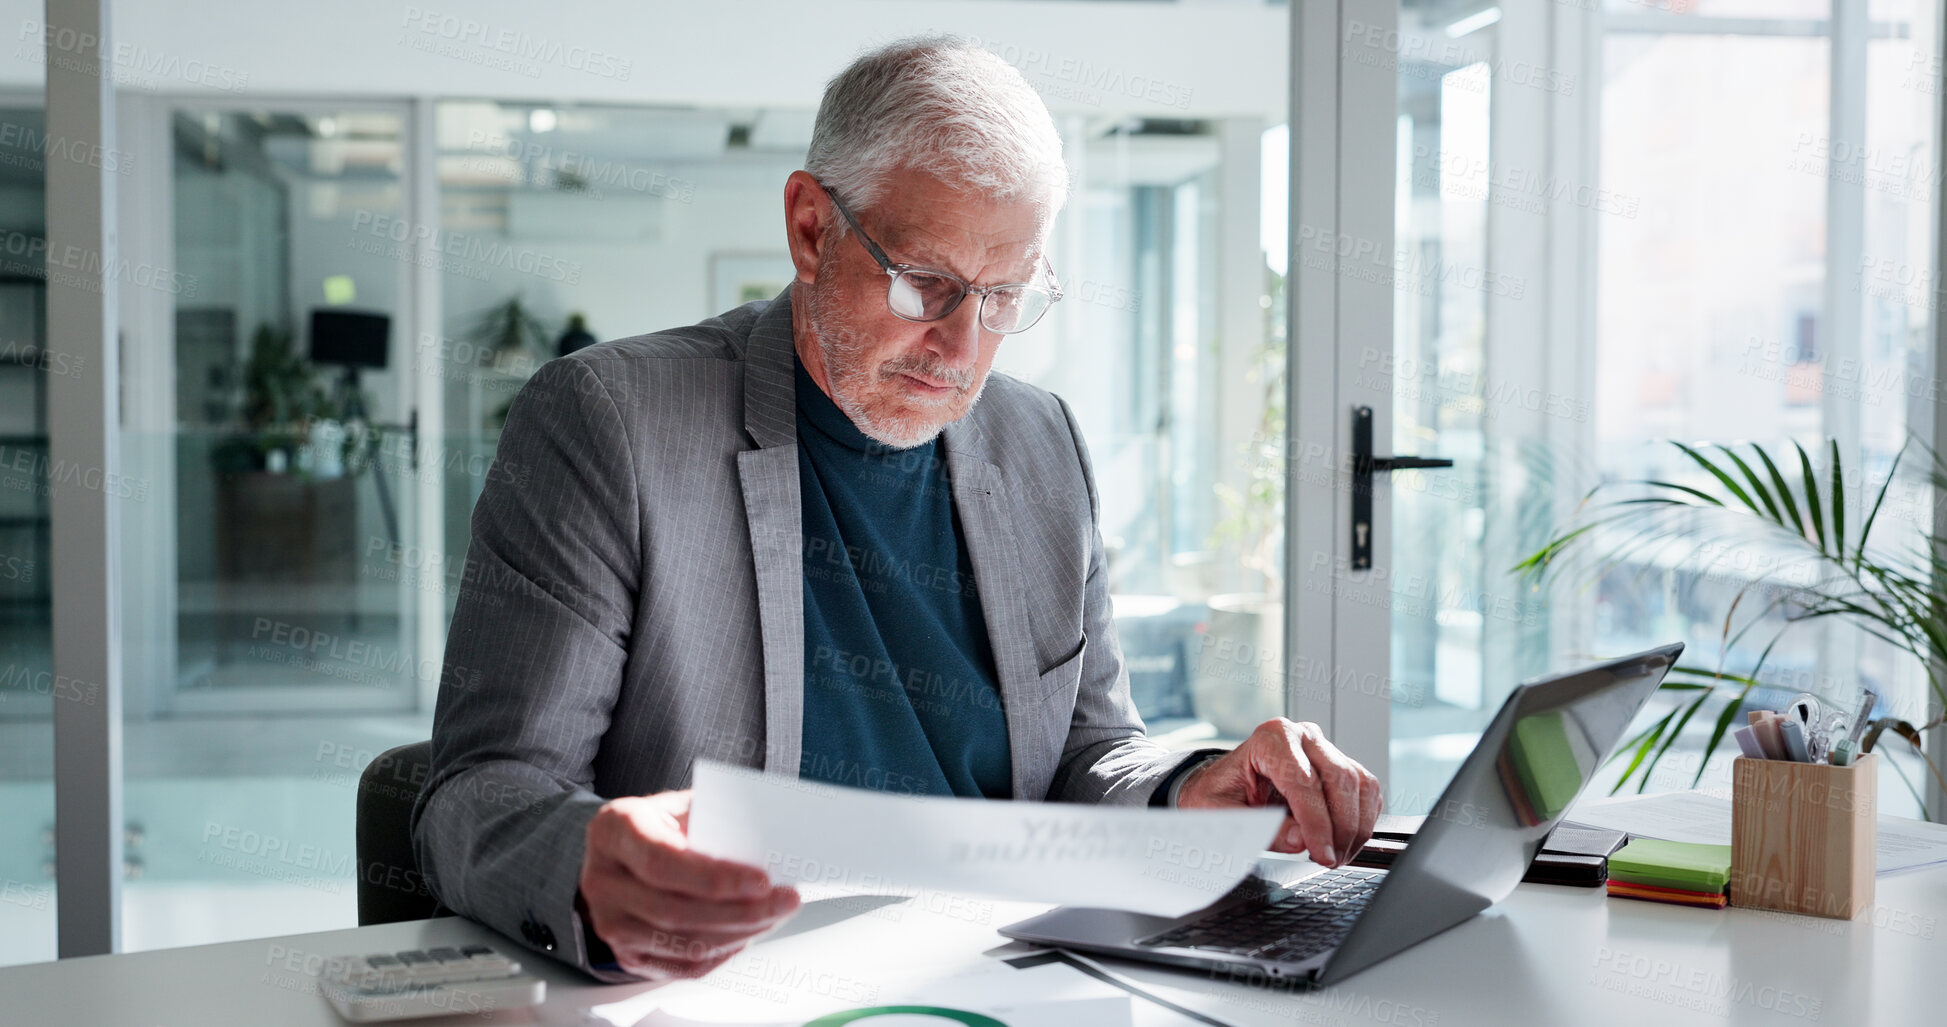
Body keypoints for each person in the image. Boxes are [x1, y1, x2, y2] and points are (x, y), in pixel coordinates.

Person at [411, 34, 1381, 986]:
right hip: (737, 984)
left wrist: (1189, 789)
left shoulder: (1042, 444)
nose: (960, 347)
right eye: (926, 284)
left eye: (1004, 296)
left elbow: (1085, 753)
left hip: (1011, 974)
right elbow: (479, 792)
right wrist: (584, 863)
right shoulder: (609, 423)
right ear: (809, 227)